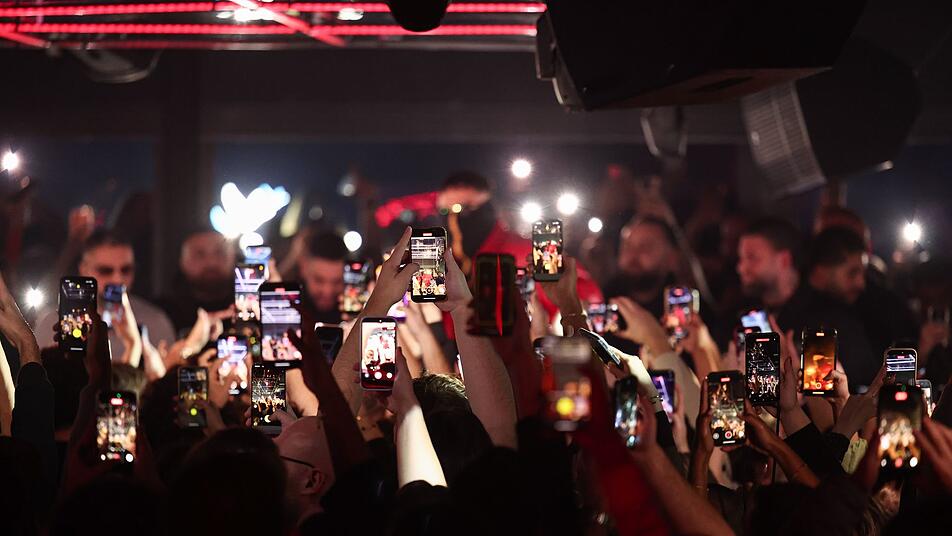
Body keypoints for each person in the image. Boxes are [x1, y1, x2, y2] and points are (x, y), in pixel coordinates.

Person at [33, 230, 175, 356]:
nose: (117, 279)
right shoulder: (52, 323)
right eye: (105, 271)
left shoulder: (156, 322)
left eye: (126, 270)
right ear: (84, 269)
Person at [157, 229, 235, 335]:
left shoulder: (251, 309)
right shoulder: (161, 314)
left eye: (219, 253)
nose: (211, 263)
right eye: (199, 254)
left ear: (232, 257)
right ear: (183, 261)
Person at [298, 231, 347, 324]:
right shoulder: (289, 307)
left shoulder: (356, 312)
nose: (327, 292)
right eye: (319, 280)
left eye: (337, 282)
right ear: (303, 268)